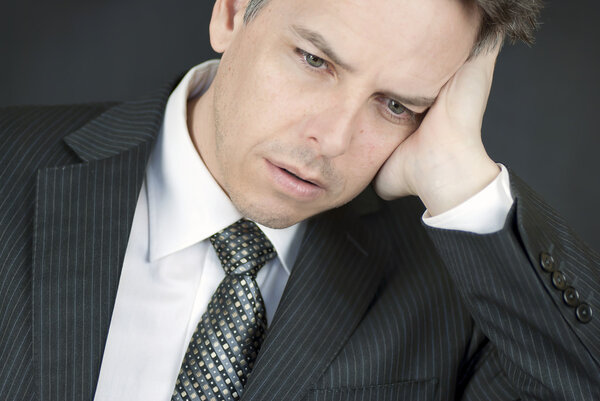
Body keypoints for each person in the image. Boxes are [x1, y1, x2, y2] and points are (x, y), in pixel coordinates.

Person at [0, 0, 598, 400]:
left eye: (396, 105)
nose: (332, 140)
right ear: (233, 12)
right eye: (315, 61)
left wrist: (460, 176)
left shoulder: (465, 291)